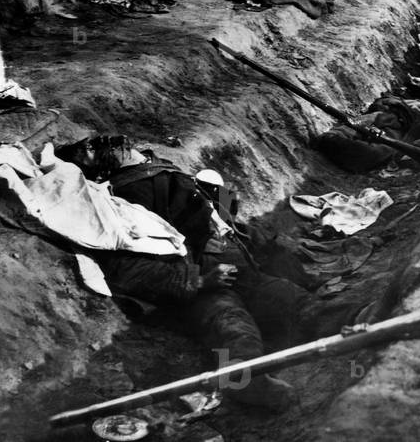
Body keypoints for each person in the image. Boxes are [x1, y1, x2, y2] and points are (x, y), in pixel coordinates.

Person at [55, 136, 380, 410]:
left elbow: (225, 213)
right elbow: (126, 266)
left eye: (102, 139)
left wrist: (224, 205)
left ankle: (358, 318)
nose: (111, 142)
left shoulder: (165, 170)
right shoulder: (114, 199)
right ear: (98, 170)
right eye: (94, 148)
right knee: (230, 324)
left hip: (232, 265)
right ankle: (241, 379)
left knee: (287, 296)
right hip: (192, 277)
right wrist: (197, 281)